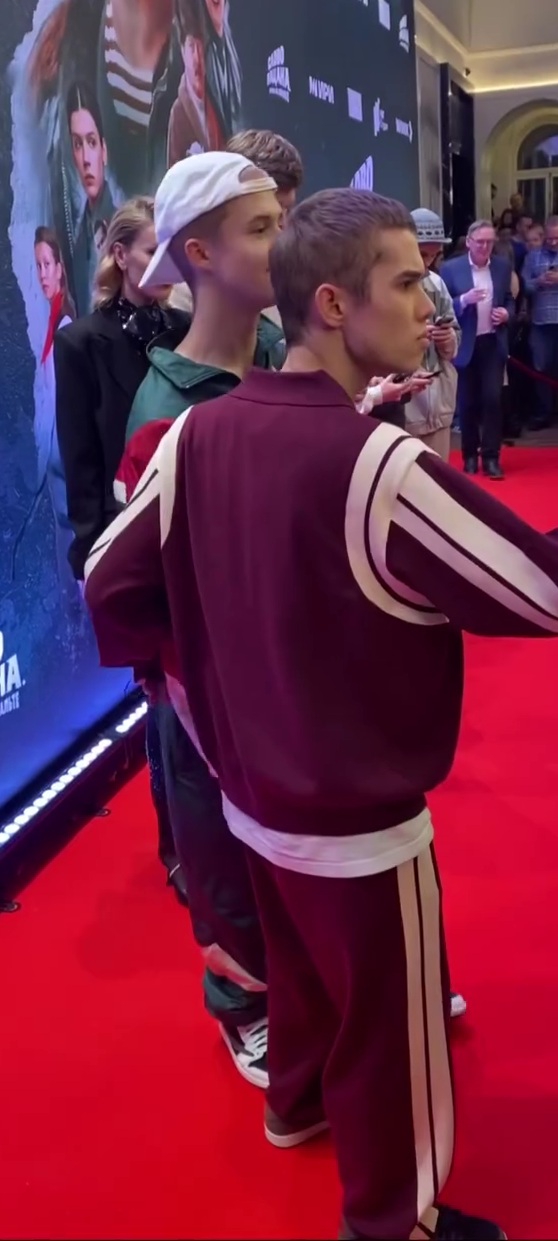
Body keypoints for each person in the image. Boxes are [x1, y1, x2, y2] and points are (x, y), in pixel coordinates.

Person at [82, 186, 558, 1240]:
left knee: (301, 976)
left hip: (252, 794)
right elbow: (540, 587)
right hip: (357, 816)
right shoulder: (376, 463)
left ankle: (295, 1103)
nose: (428, 302)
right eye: (406, 280)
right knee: (390, 1023)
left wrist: (201, 692)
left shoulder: (194, 435)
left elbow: (107, 579)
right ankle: (397, 1219)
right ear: (336, 305)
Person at [117, 150, 286, 1090]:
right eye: (261, 229)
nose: (282, 244)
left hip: (286, 670)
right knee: (222, 854)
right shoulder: (166, 406)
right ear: (199, 254)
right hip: (207, 687)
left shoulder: (281, 357)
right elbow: (146, 585)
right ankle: (244, 1009)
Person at [54, 196, 190, 902]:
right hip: (132, 544)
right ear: (120, 255)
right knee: (162, 696)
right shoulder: (81, 344)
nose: (166, 261)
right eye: (151, 248)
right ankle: (182, 849)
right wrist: (91, 555)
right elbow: (81, 460)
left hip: (198, 535)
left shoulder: (191, 331)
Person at [441, 218, 514, 480]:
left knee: (493, 401)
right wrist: (464, 300)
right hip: (465, 344)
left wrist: (506, 313)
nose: (485, 247)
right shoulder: (451, 268)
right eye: (480, 242)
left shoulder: (503, 266)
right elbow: (442, 305)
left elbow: (509, 299)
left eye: (489, 242)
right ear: (469, 242)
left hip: (492, 343)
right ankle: (470, 456)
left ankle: (492, 457)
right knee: (467, 403)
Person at [34, 226, 77, 590]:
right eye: (38, 265)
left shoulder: (65, 326)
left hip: (65, 466)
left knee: (74, 558)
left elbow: (67, 405)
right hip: (55, 465)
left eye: (48, 264)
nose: (43, 274)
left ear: (61, 268)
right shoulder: (52, 323)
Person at [404, 208, 460, 461]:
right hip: (403, 402)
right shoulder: (386, 284)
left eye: (434, 254)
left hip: (438, 402)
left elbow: (454, 332)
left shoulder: (436, 283)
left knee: (438, 474)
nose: (427, 261)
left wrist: (448, 340)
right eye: (422, 253)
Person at [66, 82, 116, 314]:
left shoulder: (123, 228)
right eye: (78, 144)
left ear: (103, 151)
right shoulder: (78, 243)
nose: (86, 158)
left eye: (91, 142)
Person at [167, 0, 222, 165]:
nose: (197, 59)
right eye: (191, 47)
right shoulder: (178, 114)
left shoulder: (217, 103)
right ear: (183, 52)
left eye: (200, 48)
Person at [522, 214, 558, 429]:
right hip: (541, 322)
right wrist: (540, 281)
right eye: (550, 238)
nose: (552, 242)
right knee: (540, 368)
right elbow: (524, 286)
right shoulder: (533, 257)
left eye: (557, 239)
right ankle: (543, 413)